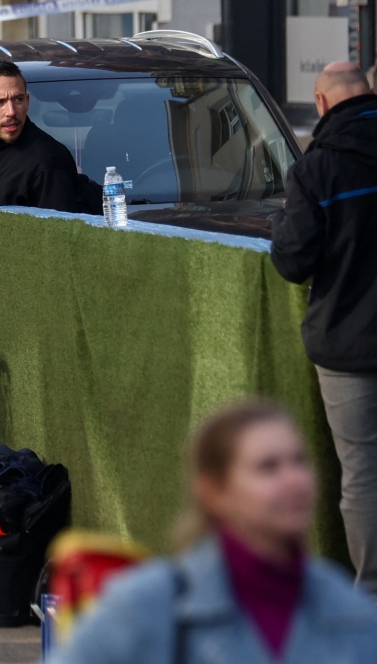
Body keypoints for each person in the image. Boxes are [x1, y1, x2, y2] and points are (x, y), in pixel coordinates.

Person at [49, 401, 377, 663]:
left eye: (300, 461)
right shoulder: (146, 607)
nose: (295, 481)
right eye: (268, 467)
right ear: (214, 490)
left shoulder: (353, 612)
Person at [271, 61, 377, 596]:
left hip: (349, 344)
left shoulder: (317, 170)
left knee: (362, 471)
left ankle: (372, 592)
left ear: (321, 103)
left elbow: (293, 262)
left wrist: (280, 225)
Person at [0, 59, 101, 355]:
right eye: (0, 102)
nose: (11, 112)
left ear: (28, 101)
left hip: (27, 319)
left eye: (18, 100)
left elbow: (56, 255)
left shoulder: (46, 160)